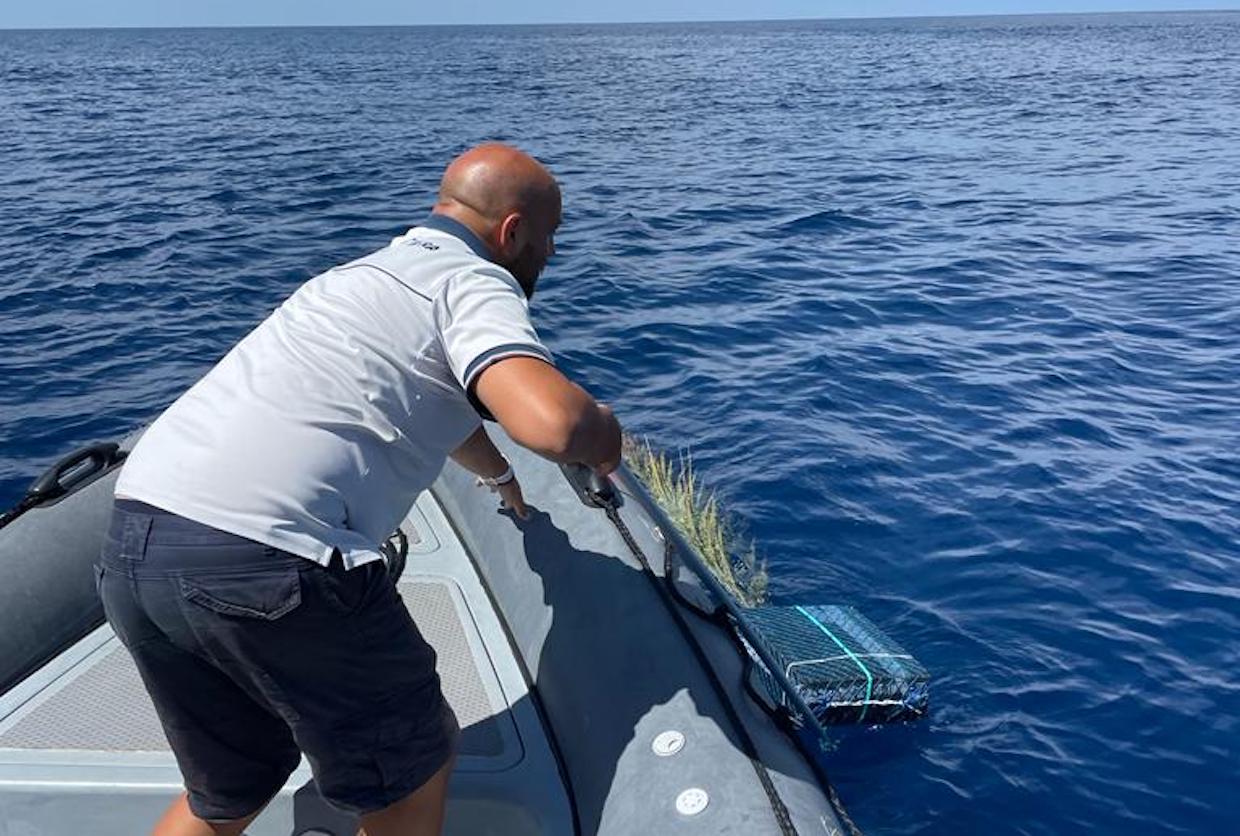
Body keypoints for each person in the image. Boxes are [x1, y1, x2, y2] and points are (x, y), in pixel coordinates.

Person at [98, 143, 623, 836]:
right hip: (270, 558)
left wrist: (494, 474)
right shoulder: (473, 281)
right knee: (418, 761)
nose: (548, 257)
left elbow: (429, 394)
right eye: (549, 240)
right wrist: (606, 438)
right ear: (513, 232)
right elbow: (553, 423)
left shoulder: (356, 276)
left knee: (228, 788)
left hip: (139, 542)